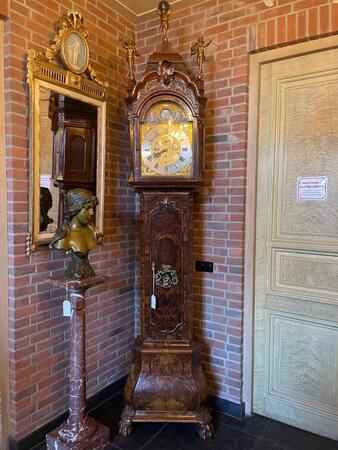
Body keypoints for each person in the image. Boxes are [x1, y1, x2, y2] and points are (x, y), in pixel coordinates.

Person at [50, 188, 98, 279]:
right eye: (87, 208)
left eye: (92, 208)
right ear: (75, 209)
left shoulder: (91, 230)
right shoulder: (64, 235)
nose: (92, 213)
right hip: (75, 271)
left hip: (88, 272)